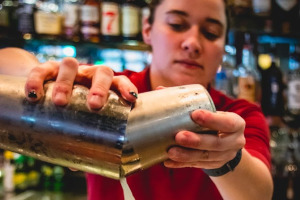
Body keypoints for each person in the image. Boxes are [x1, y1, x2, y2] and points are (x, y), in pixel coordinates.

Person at [0, 0, 273, 199]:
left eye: (211, 33)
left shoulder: (239, 115)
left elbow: (259, 194)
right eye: (177, 24)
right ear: (147, 30)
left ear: (223, 47)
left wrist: (229, 157)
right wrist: (38, 78)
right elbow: (6, 60)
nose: (193, 42)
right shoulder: (110, 91)